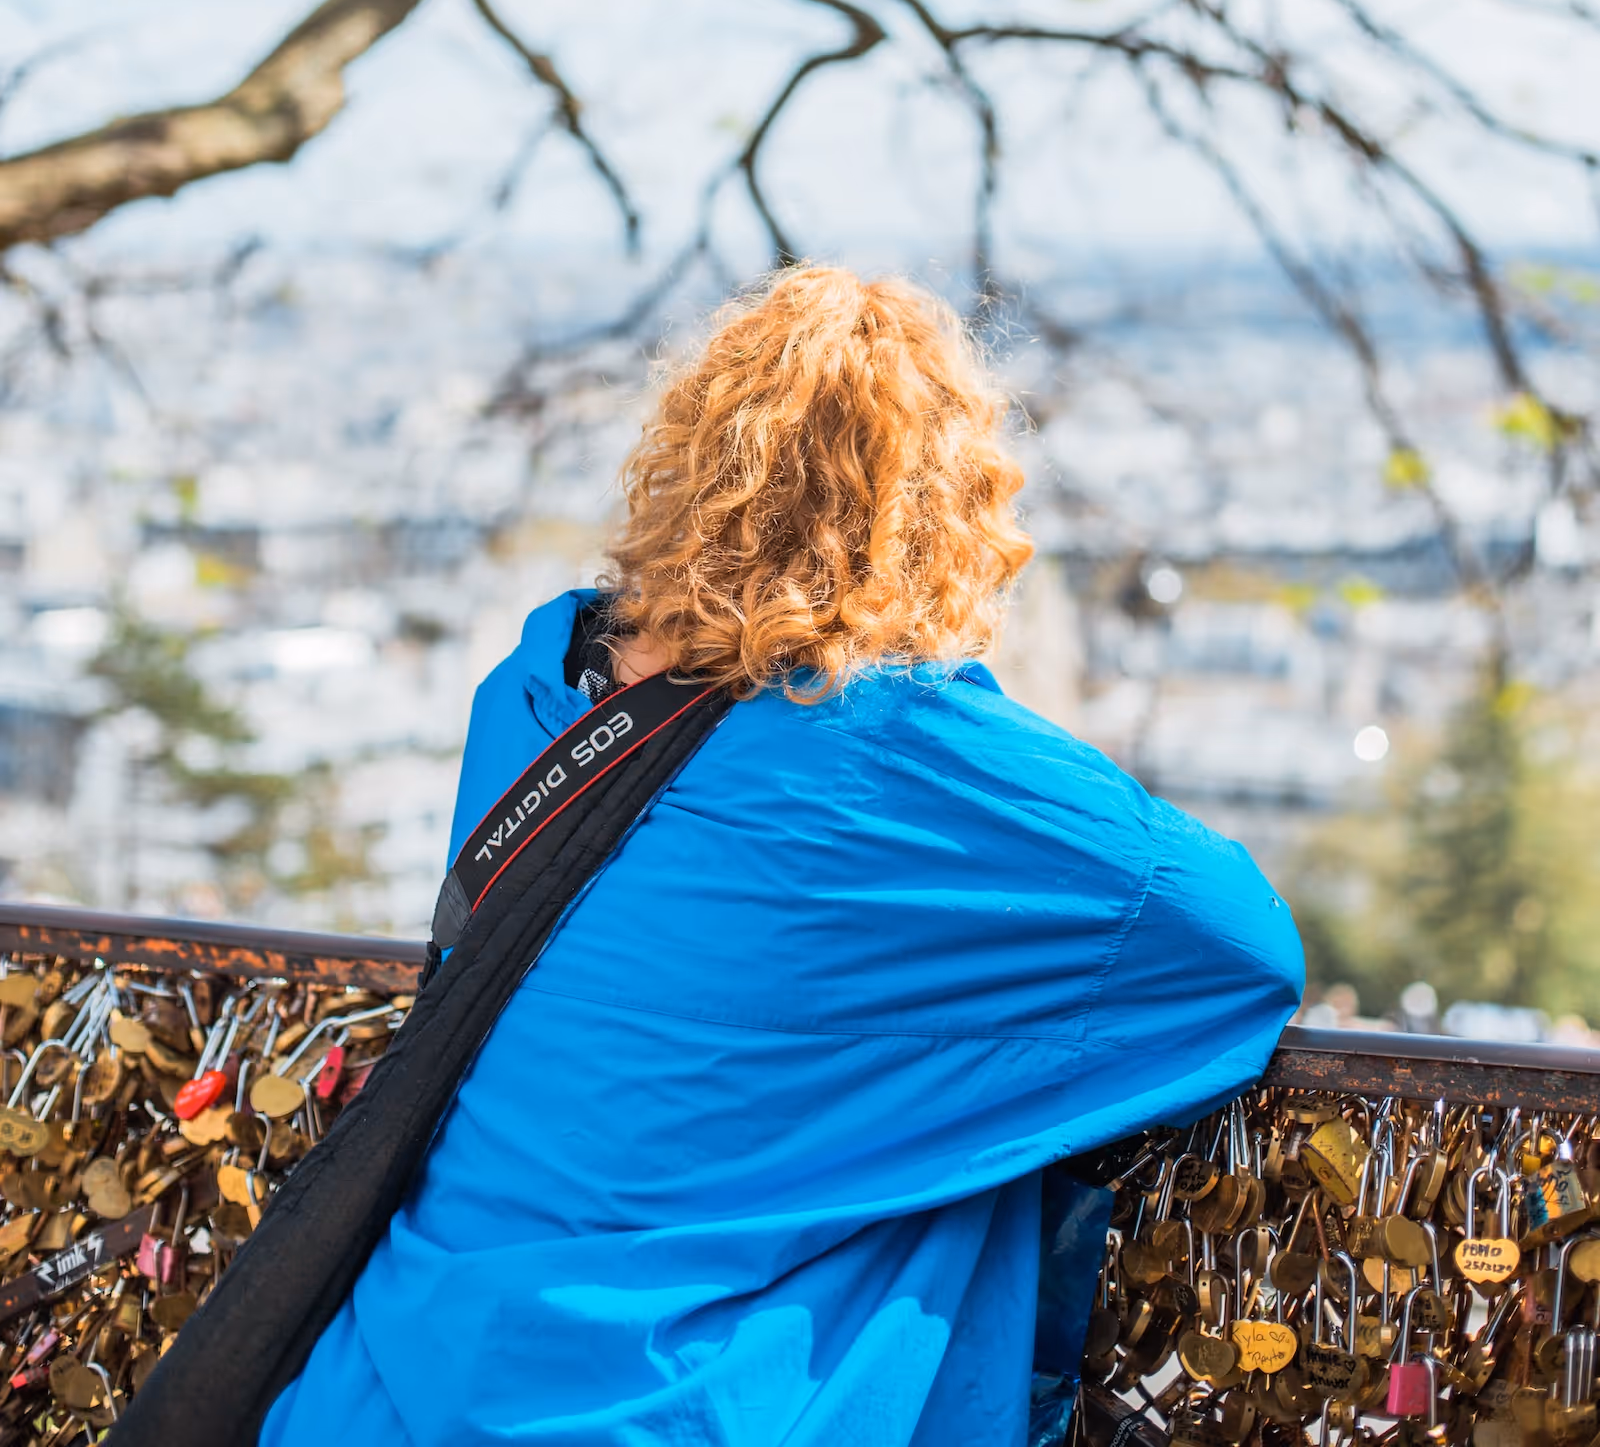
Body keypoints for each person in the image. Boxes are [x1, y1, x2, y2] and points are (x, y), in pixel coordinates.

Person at [261, 265, 1302, 1447]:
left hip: (381, 1384)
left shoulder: (538, 696)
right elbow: (1237, 948)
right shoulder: (922, 760)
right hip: (688, 1409)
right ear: (948, 508)